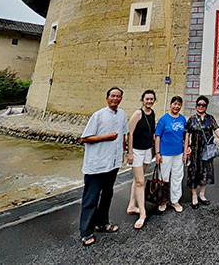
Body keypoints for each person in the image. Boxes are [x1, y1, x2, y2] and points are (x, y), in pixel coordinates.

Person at [79, 87, 129, 246]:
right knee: (91, 198)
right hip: (97, 164)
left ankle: (102, 223)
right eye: (113, 96)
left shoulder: (122, 114)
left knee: (107, 194)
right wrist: (106, 137)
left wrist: (122, 153)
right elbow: (84, 139)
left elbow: (123, 135)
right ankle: (86, 231)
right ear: (107, 98)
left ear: (121, 99)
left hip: (112, 163)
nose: (115, 98)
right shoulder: (98, 115)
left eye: (118, 96)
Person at [183, 95, 219, 209]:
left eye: (203, 105)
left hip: (206, 151)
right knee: (193, 172)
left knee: (205, 171)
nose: (201, 107)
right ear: (196, 106)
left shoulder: (210, 118)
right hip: (194, 151)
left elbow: (217, 130)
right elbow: (187, 135)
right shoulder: (192, 119)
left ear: (206, 107)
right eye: (199, 104)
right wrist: (186, 149)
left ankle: (202, 194)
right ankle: (194, 196)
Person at [125, 90, 156, 229]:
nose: (149, 101)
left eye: (151, 99)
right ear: (142, 99)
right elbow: (130, 133)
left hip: (147, 151)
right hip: (136, 151)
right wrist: (130, 152)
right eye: (147, 99)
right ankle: (142, 214)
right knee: (140, 181)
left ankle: (132, 205)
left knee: (138, 179)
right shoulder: (138, 114)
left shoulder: (153, 113)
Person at [155, 96, 186, 213]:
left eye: (179, 104)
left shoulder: (182, 119)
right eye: (174, 104)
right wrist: (157, 153)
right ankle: (163, 200)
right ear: (171, 104)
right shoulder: (164, 119)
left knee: (177, 177)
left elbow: (185, 136)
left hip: (178, 152)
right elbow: (157, 136)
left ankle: (174, 200)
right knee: (163, 177)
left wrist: (186, 149)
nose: (176, 106)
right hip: (165, 153)